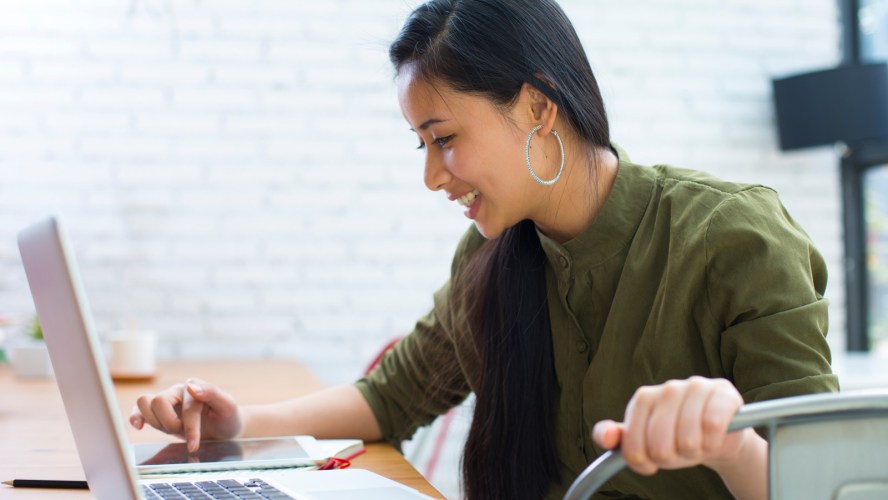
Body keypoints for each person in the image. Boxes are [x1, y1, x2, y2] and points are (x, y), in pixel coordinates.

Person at [129, 0, 839, 498]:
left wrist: (726, 442)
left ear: (537, 107)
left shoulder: (735, 239)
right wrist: (241, 426)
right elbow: (389, 398)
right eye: (422, 145)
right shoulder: (488, 259)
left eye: (444, 139)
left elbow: (823, 485)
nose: (433, 176)